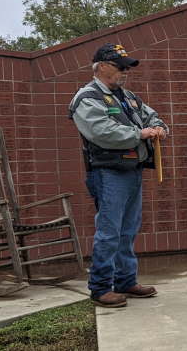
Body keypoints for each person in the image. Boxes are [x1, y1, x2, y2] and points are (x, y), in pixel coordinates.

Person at [68, 43, 168, 308]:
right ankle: (100, 288)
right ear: (102, 67)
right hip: (108, 172)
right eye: (120, 67)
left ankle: (125, 281)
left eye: (127, 68)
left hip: (132, 170)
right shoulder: (87, 98)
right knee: (109, 231)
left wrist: (158, 127)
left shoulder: (127, 96)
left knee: (127, 230)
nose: (125, 72)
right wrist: (140, 134)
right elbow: (102, 132)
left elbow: (151, 116)